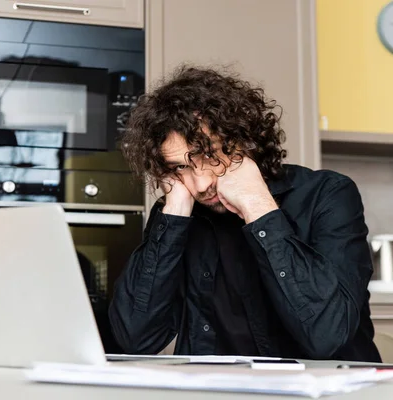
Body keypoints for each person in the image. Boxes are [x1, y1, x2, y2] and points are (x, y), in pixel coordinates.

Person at [108, 64, 382, 362]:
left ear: (244, 139)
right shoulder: (181, 212)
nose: (200, 184)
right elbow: (135, 339)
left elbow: (327, 336)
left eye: (209, 154)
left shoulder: (327, 194)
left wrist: (258, 206)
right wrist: (172, 213)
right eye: (180, 167)